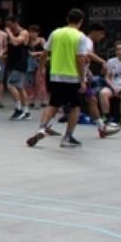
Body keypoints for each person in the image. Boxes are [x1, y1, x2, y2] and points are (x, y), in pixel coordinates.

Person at [27, 9, 91, 149]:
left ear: (67, 18)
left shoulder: (55, 33)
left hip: (55, 75)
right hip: (73, 77)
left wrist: (42, 68)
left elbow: (45, 53)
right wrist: (83, 79)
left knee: (53, 104)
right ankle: (67, 137)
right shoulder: (80, 37)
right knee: (75, 107)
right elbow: (80, 59)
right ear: (81, 21)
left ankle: (41, 129)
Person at [3, 15, 32, 121]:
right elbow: (10, 46)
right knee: (19, 87)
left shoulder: (24, 32)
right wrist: (4, 53)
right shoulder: (10, 35)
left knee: (10, 84)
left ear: (15, 23)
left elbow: (15, 42)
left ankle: (18, 108)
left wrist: (9, 33)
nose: (8, 27)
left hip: (20, 63)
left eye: (10, 25)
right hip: (12, 61)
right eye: (7, 26)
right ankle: (26, 110)